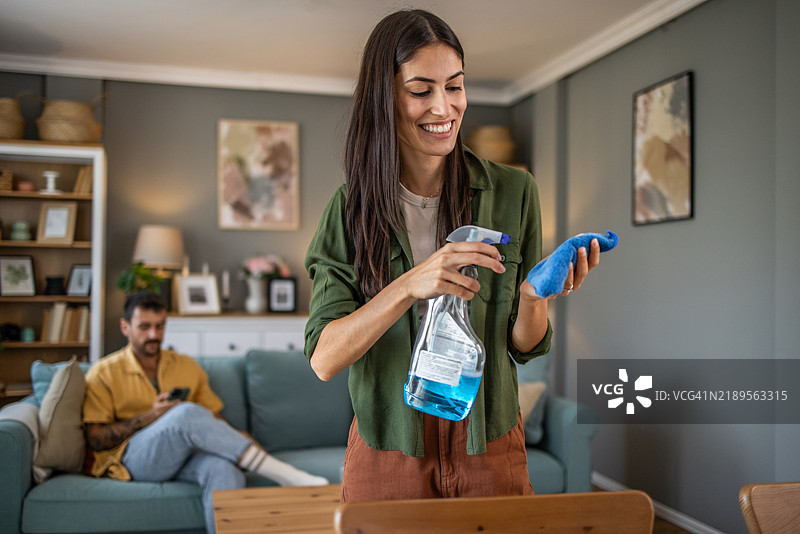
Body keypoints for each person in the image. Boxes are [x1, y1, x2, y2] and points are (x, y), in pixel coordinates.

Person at [304, 9, 602, 502]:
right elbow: (324, 358)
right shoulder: (349, 210)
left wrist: (532, 298)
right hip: (389, 454)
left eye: (456, 86)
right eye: (421, 90)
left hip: (489, 447)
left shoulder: (514, 191)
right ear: (386, 99)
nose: (444, 108)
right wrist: (410, 284)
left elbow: (522, 347)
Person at [83, 291, 327, 534]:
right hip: (132, 460)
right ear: (125, 327)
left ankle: (261, 467)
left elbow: (214, 418)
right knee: (185, 412)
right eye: (144, 327)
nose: (153, 335)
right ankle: (284, 474)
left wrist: (242, 443)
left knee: (225, 469)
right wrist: (150, 416)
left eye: (160, 326)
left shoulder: (185, 365)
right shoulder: (103, 372)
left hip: (184, 456)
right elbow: (96, 438)